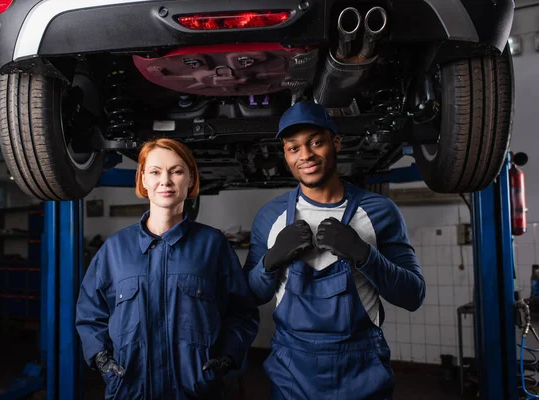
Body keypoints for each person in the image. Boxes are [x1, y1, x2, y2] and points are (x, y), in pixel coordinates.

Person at [244, 102, 426, 399]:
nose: (306, 155)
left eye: (316, 142)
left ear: (336, 142)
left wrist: (363, 254)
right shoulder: (270, 216)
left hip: (361, 367)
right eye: (293, 148)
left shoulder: (379, 211)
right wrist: (271, 260)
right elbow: (250, 295)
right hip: (292, 369)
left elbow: (413, 295)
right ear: (286, 155)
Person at [76, 138, 259, 400]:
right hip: (130, 390)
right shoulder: (115, 248)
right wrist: (101, 357)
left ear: (191, 180)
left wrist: (228, 357)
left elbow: (242, 312)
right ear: (143, 181)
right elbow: (89, 313)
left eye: (176, 171)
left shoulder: (213, 245)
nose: (166, 180)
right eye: (155, 171)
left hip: (195, 391)